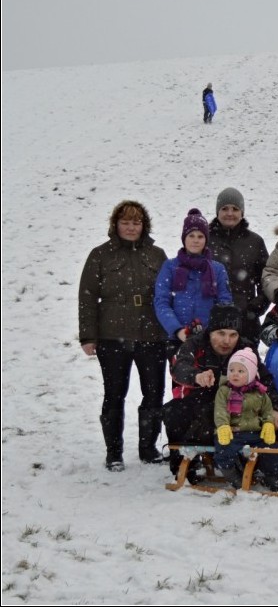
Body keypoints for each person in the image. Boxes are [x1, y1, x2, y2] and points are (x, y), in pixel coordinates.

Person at [79, 200, 169, 471]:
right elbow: (87, 297)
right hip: (112, 335)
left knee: (154, 394)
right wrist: (88, 336)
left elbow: (167, 295)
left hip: (151, 335)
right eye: (126, 222)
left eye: (137, 222)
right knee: (114, 394)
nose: (131, 227)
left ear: (144, 225)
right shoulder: (100, 255)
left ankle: (148, 448)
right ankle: (114, 452)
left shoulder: (157, 255)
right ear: (115, 224)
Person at [164, 304, 278, 481]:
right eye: (221, 334)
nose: (227, 341)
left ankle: (256, 462)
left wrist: (276, 408)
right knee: (174, 413)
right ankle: (184, 465)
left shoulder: (245, 348)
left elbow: (265, 379)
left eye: (233, 335)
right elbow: (179, 367)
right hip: (200, 403)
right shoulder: (195, 344)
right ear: (211, 332)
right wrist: (197, 376)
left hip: (237, 405)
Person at [154, 208, 232, 356]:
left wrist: (211, 331)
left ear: (206, 239)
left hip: (210, 340)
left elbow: (224, 303)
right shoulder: (170, 267)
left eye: (200, 236)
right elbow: (161, 302)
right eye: (191, 235)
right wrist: (177, 330)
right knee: (181, 379)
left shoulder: (218, 269)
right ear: (184, 238)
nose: (195, 240)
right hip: (177, 339)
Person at [207, 188, 270, 346]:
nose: (230, 213)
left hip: (245, 321)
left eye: (235, 209)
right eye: (225, 209)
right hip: (210, 319)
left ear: (242, 212)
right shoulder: (205, 240)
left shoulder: (254, 242)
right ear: (217, 211)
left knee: (244, 366)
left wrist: (256, 307)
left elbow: (266, 278)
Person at [213, 348, 278, 491]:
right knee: (223, 450)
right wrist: (223, 426)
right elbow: (220, 410)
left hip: (254, 433)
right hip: (232, 432)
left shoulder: (260, 392)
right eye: (231, 370)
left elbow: (267, 410)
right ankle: (233, 476)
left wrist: (268, 423)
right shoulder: (225, 391)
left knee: (270, 449)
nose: (234, 374)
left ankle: (271, 476)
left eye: (240, 371)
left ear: (251, 374)